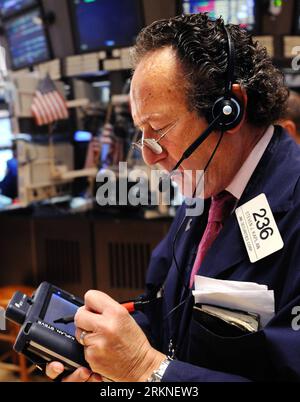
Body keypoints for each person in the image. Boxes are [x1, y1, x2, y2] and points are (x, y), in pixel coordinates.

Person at [46, 13, 300, 382]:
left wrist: (145, 369)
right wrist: (100, 347)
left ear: (229, 111)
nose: (149, 155)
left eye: (160, 129)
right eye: (141, 132)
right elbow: (163, 308)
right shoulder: (205, 188)